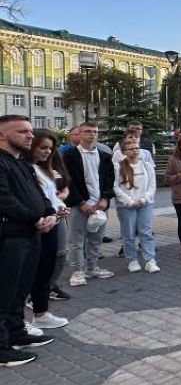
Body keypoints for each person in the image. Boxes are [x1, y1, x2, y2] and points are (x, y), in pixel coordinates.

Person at [0, 116, 57, 366]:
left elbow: (39, 194)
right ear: (2, 135)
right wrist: (36, 218)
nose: (30, 136)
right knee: (4, 292)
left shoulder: (22, 163)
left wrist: (49, 213)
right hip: (9, 236)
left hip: (31, 235)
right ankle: (2, 348)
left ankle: (16, 333)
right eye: (22, 131)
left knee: (20, 290)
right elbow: (4, 199)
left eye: (31, 131)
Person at [62, 122, 115, 287]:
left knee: (96, 239)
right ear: (79, 134)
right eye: (87, 131)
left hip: (100, 205)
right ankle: (78, 272)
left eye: (95, 132)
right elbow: (68, 182)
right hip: (79, 205)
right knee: (76, 240)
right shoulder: (70, 155)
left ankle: (92, 267)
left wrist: (105, 199)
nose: (92, 134)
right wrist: (81, 202)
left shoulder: (105, 155)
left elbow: (109, 180)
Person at [27, 130, 71, 330]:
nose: (47, 152)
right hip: (38, 224)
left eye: (50, 148)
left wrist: (60, 208)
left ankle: (41, 312)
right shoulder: (26, 168)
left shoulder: (42, 169)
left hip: (52, 220)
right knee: (34, 270)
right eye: (42, 147)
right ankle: (34, 313)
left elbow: (50, 195)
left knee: (47, 266)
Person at [113, 136, 158, 274]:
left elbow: (152, 186)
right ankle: (132, 261)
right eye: (130, 149)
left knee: (146, 233)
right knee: (128, 234)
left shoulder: (147, 165)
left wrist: (144, 199)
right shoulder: (118, 166)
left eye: (137, 148)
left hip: (145, 204)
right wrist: (130, 201)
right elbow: (115, 187)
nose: (134, 151)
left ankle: (150, 260)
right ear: (124, 151)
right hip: (126, 206)